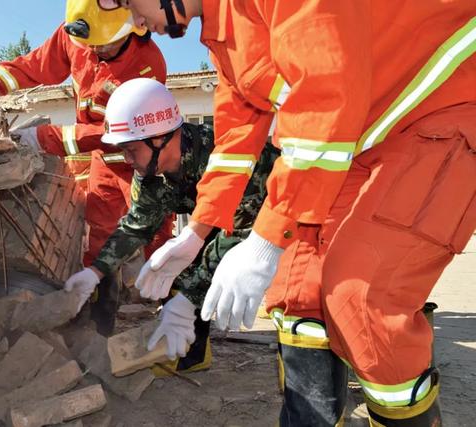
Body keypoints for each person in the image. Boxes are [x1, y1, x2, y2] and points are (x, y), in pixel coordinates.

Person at [103, 1, 476, 425]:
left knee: (363, 296)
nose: (136, 22)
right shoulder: (226, 35)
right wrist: (195, 235)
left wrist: (262, 243)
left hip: (448, 105)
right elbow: (237, 138)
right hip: (363, 138)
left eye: (131, 3)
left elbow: (325, 101)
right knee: (295, 288)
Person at [0, 0, 173, 334]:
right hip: (103, 165)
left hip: (141, 162)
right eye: (89, 43)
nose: (95, 49)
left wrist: (43, 137)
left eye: (104, 43)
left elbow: (116, 132)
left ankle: (181, 316)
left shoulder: (147, 63)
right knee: (99, 239)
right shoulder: (77, 34)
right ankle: (100, 323)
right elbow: (31, 67)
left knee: (157, 237)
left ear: (134, 26)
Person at [64, 78, 279, 372]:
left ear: (160, 138)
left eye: (131, 150)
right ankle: (191, 354)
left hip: (285, 224)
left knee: (293, 301)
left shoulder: (223, 157)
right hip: (229, 224)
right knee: (178, 273)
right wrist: (95, 271)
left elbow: (237, 233)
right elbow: (137, 225)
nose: (127, 160)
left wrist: (188, 300)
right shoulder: (150, 173)